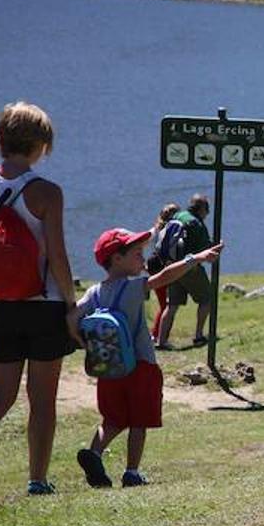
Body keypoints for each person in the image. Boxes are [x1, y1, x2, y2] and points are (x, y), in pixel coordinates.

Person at [0, 102, 78, 498]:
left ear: (1, 139)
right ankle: (37, 480)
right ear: (40, 144)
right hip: (43, 303)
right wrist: (71, 305)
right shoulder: (47, 192)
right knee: (42, 398)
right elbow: (57, 255)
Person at [75, 228, 223, 488]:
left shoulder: (94, 292)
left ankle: (95, 453)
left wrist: (83, 343)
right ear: (117, 258)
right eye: (136, 254)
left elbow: (70, 316)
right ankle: (132, 472)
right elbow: (165, 276)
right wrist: (196, 258)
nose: (142, 260)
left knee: (112, 419)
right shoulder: (133, 286)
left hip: (108, 368)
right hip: (140, 365)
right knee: (138, 421)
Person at [154, 194, 214, 349]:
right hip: (189, 268)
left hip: (172, 266)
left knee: (172, 305)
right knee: (206, 299)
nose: (207, 213)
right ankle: (199, 336)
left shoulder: (178, 215)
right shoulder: (196, 223)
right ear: (202, 208)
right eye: (207, 210)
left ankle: (161, 341)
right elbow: (205, 250)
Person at [146, 202, 180, 344]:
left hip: (152, 265)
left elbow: (143, 243)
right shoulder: (172, 229)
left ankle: (156, 334)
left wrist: (143, 265)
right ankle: (157, 335)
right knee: (166, 305)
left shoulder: (155, 229)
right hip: (161, 267)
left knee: (163, 304)